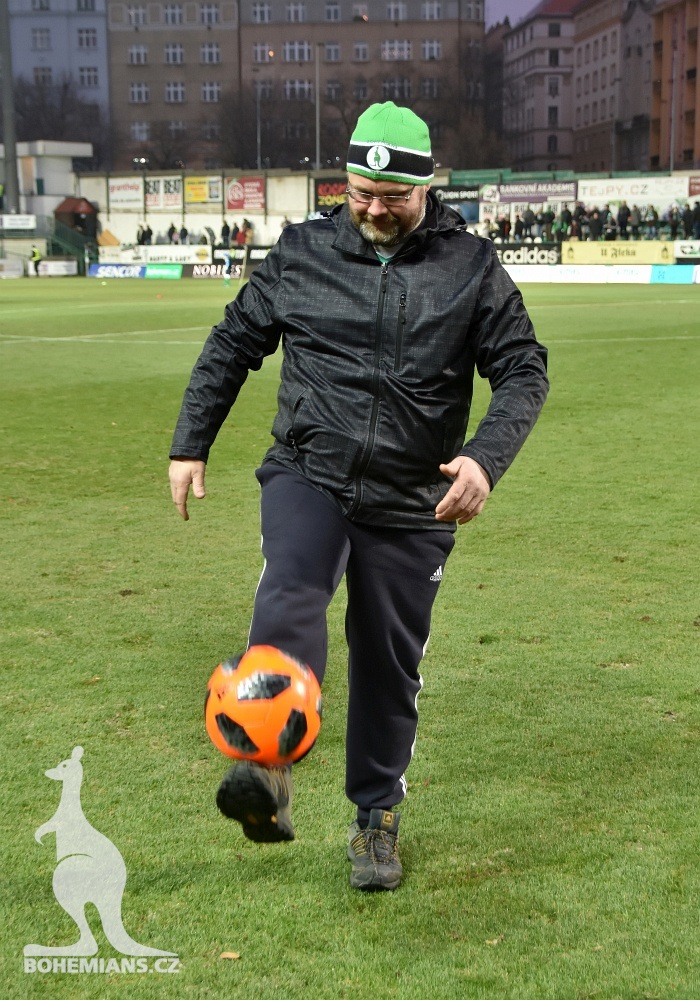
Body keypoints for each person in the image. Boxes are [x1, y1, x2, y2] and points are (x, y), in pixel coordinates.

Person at [168, 102, 549, 892]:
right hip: (312, 470)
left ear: (428, 186)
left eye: (393, 197)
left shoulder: (472, 267)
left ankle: (376, 819)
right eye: (360, 192)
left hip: (416, 497)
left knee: (388, 664)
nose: (373, 209)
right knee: (292, 588)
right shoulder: (303, 252)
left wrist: (484, 458)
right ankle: (267, 765)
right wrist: (189, 440)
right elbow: (233, 340)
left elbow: (522, 368)